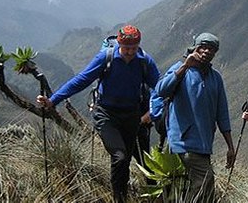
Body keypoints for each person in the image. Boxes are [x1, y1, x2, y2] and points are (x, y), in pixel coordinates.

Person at [36, 25, 160, 203]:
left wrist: (152, 112)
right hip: (106, 114)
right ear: (119, 44)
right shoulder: (106, 57)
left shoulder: (144, 61)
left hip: (132, 116)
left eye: (134, 48)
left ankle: (122, 195)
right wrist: (53, 100)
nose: (130, 52)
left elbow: (160, 87)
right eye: (126, 48)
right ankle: (119, 198)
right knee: (120, 156)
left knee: (123, 161)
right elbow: (81, 80)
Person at [153, 32, 236, 203]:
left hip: (204, 144)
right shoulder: (181, 68)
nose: (206, 51)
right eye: (203, 47)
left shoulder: (216, 78)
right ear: (195, 48)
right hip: (183, 141)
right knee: (205, 181)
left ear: (215, 53)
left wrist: (230, 146)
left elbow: (222, 114)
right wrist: (184, 66)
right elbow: (161, 90)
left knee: (181, 187)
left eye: (211, 49)